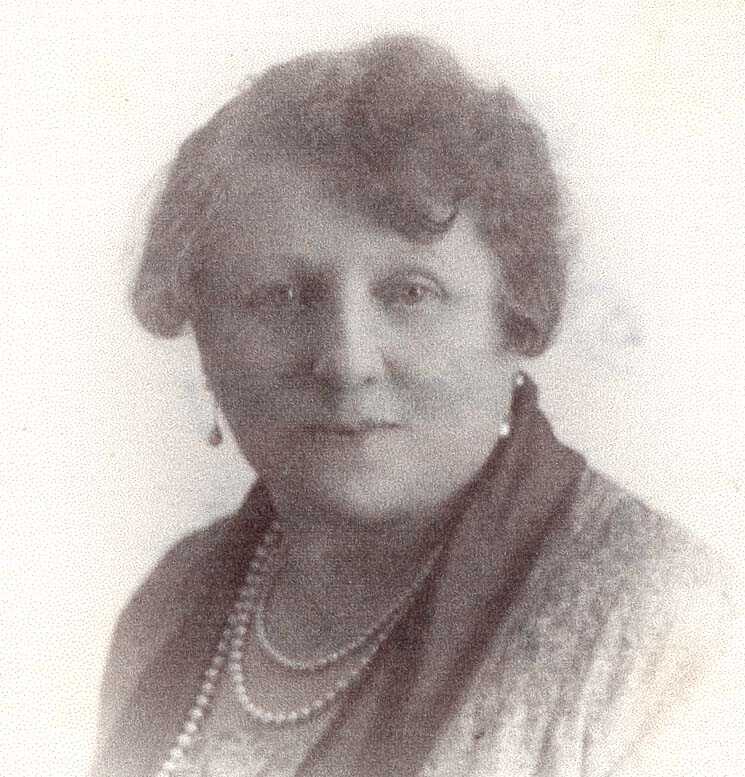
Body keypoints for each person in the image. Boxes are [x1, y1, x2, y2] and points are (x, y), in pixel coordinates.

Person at [91, 34, 733, 777]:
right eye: (282, 295)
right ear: (205, 335)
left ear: (514, 318)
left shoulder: (666, 625)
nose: (348, 363)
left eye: (409, 293)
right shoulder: (169, 606)